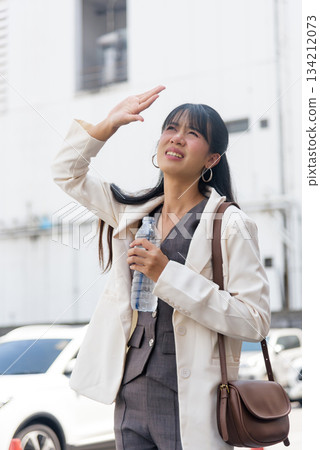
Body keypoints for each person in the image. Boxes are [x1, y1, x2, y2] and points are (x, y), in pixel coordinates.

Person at [51, 85, 271, 450]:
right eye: (171, 127)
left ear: (212, 159)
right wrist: (108, 125)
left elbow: (255, 320)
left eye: (193, 133)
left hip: (191, 404)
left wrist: (166, 273)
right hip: (130, 396)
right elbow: (66, 174)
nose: (177, 138)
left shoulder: (230, 224)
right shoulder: (135, 213)